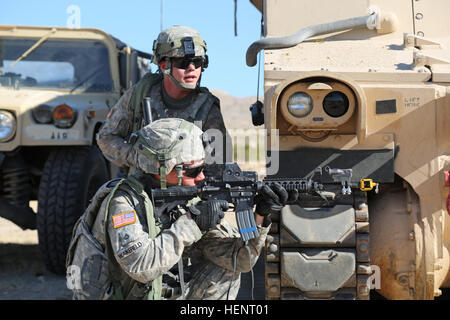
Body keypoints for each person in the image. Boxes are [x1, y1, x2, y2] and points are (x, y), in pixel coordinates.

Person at [70, 118, 288, 300]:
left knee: (224, 271)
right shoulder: (124, 203)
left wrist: (261, 217)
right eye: (194, 170)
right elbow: (141, 267)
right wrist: (192, 224)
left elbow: (240, 260)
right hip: (122, 293)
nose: (202, 176)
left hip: (155, 292)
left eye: (204, 167)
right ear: (161, 170)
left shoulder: (189, 197)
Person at [96, 25, 232, 171]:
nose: (192, 68)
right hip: (141, 187)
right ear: (163, 66)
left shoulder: (206, 107)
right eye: (183, 62)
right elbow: (106, 137)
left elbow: (219, 165)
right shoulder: (140, 94)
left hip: (189, 188)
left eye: (197, 62)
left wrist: (190, 170)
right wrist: (139, 158)